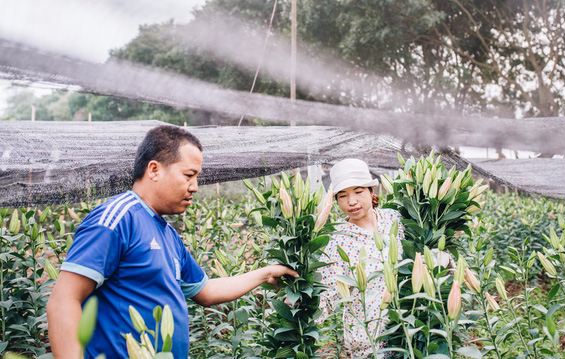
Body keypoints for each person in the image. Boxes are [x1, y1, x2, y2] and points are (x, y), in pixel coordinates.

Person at [47, 125, 297, 359]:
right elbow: (63, 301)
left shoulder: (167, 233)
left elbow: (206, 291)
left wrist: (265, 274)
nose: (195, 187)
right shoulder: (117, 220)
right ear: (154, 169)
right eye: (189, 175)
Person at [317, 158, 404, 359]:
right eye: (343, 195)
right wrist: (298, 304)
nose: (352, 202)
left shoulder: (394, 220)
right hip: (368, 342)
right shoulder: (337, 238)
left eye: (358, 192)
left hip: (405, 332)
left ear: (372, 192)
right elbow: (328, 292)